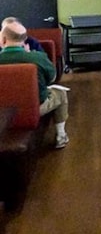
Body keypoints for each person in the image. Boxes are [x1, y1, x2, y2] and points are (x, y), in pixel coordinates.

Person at [0, 20, 70, 149]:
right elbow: (52, 78)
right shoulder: (37, 57)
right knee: (61, 93)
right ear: (25, 40)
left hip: (2, 114)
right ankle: (61, 135)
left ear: (3, 40)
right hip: (33, 109)